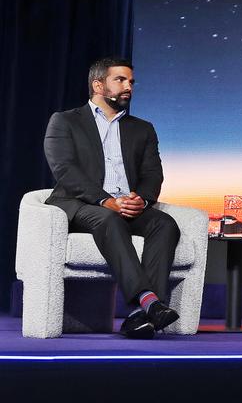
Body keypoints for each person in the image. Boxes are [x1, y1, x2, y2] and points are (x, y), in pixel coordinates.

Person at [43, 57, 181, 339]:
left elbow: (153, 173)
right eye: (120, 80)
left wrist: (141, 199)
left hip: (127, 205)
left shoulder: (142, 128)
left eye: (131, 81)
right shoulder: (66, 121)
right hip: (84, 206)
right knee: (108, 218)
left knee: (165, 224)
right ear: (98, 84)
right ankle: (148, 300)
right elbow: (65, 171)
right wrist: (105, 200)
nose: (128, 86)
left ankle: (140, 316)